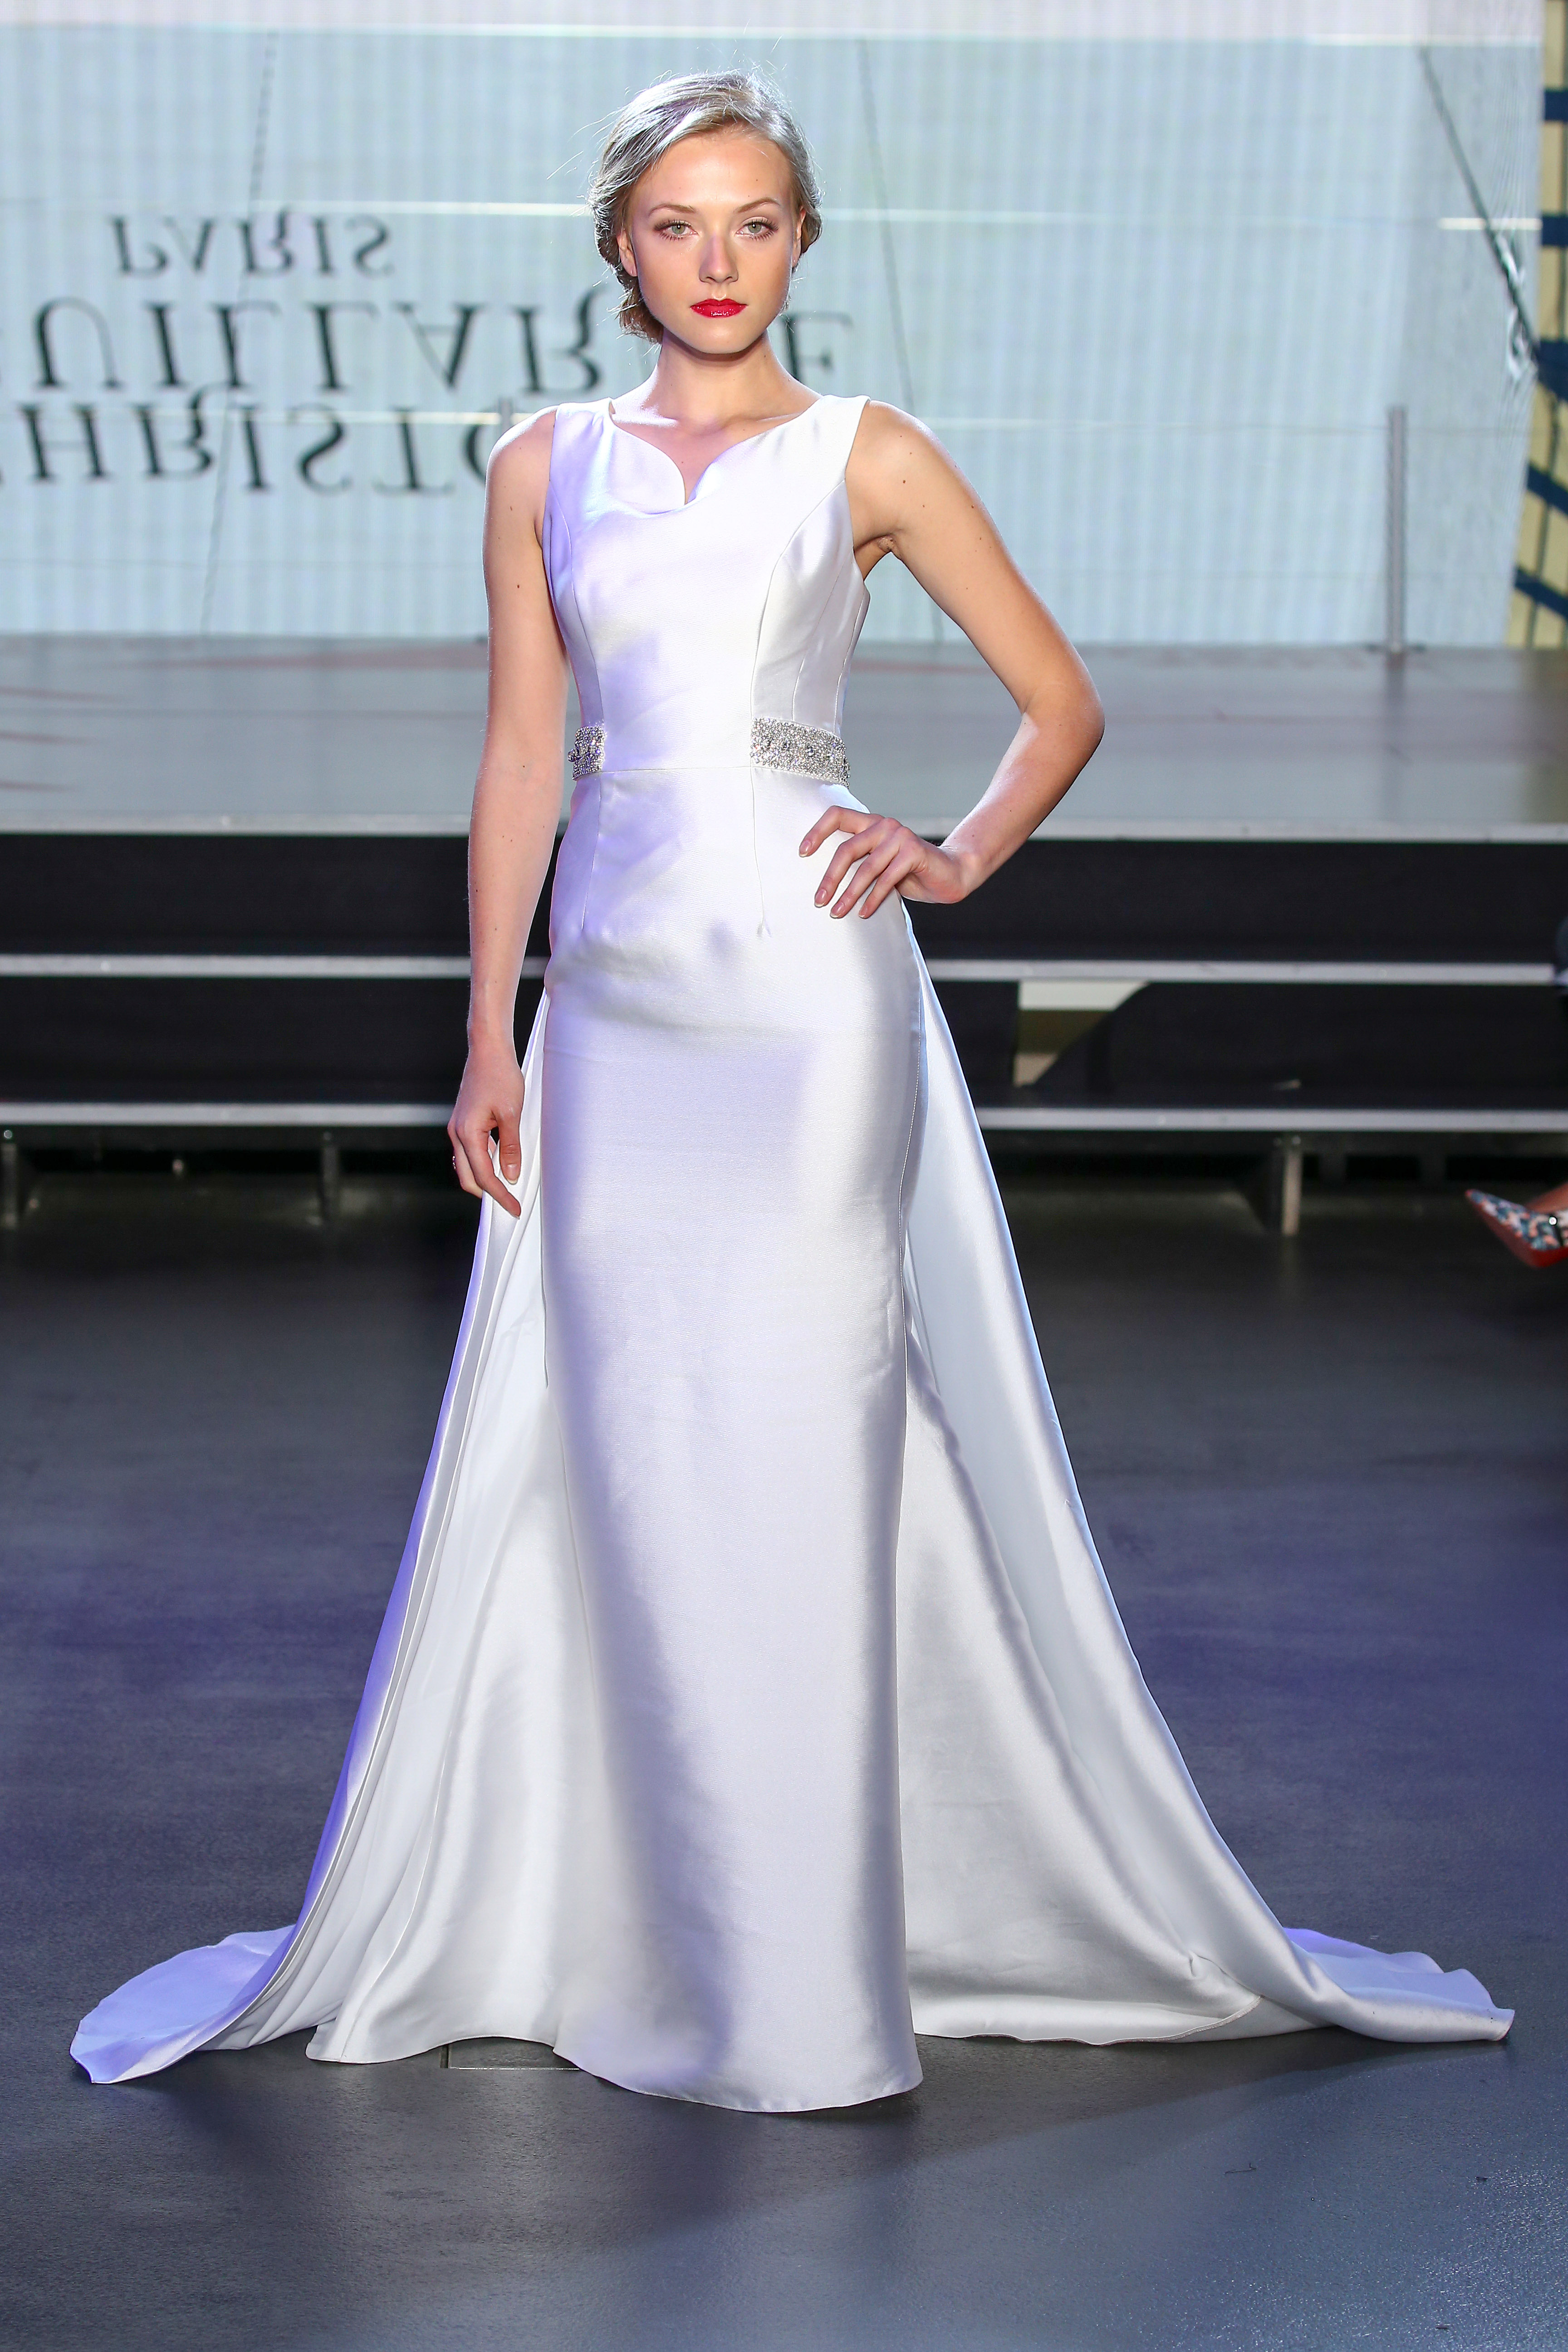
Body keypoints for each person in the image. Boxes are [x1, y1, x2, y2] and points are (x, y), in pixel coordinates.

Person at [72, 73, 1510, 2107]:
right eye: (679, 223)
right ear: (620, 247)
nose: (720, 259)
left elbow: (1061, 701)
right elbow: (519, 762)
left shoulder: (869, 452)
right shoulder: (542, 463)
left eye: (755, 220)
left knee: (820, 1441)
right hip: (618, 1014)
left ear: (804, 238)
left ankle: (807, 1966)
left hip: (812, 1010)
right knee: (624, 1451)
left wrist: (954, 851)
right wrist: (488, 1028)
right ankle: (633, 1916)